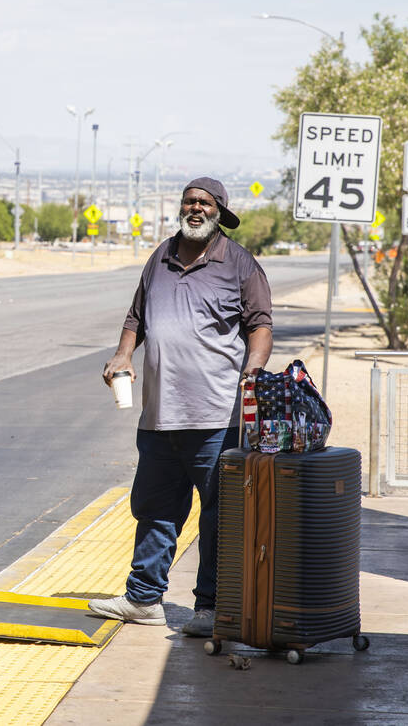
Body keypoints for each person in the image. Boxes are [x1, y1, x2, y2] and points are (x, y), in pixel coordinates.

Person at [89, 177, 272, 637]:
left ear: (219, 212)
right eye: (189, 201)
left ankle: (211, 607)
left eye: (204, 203)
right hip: (159, 414)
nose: (195, 208)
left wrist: (253, 369)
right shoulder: (161, 257)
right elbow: (137, 317)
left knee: (217, 515)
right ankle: (143, 599)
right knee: (155, 508)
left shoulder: (241, 265)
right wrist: (123, 354)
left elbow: (261, 326)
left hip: (217, 416)